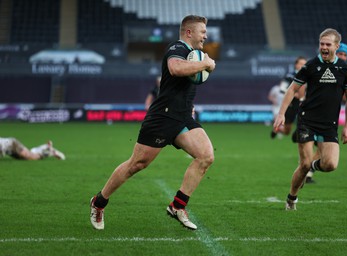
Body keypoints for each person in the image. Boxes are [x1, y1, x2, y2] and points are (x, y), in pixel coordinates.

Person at [90, 15, 216, 230]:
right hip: (162, 117)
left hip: (183, 117)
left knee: (206, 157)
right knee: (136, 165)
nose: (206, 35)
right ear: (188, 32)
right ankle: (99, 202)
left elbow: (184, 85)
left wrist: (190, 101)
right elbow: (176, 68)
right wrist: (205, 64)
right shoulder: (177, 48)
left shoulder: (194, 55)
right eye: (202, 31)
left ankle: (177, 206)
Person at [273, 28, 347, 210]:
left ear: (336, 46)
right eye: (321, 44)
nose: (324, 47)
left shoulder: (345, 69)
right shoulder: (310, 66)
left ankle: (309, 166)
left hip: (329, 124)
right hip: (307, 120)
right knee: (303, 165)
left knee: (330, 164)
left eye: (328, 44)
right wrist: (281, 114)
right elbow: (292, 90)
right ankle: (291, 198)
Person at [305, 42, 347, 183]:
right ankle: (306, 169)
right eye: (341, 54)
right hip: (311, 118)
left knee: (323, 152)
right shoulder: (317, 67)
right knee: (321, 150)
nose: (343, 57)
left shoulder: (344, 71)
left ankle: (307, 171)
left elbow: (346, 96)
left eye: (345, 55)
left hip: (328, 120)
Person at [270, 56, 307, 140]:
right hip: (292, 104)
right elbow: (282, 89)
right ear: (296, 65)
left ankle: (300, 132)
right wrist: (295, 94)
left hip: (304, 103)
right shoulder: (290, 76)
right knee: (287, 131)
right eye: (301, 63)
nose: (302, 65)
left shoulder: (309, 75)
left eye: (304, 64)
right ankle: (278, 130)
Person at [0, 137, 65, 160]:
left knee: (32, 157)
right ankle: (44, 147)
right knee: (26, 158)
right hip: (8, 149)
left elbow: (2, 146)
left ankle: (50, 152)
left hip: (12, 145)